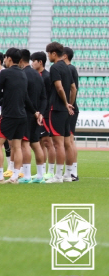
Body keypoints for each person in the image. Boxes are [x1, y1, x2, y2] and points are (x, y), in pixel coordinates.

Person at [0, 48, 42, 184]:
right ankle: (15, 176)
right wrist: (35, 111)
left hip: (9, 114)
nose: (4, 60)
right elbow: (25, 97)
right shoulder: (23, 74)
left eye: (5, 58)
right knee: (17, 146)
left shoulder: (5, 73)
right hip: (22, 115)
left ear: (9, 59)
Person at [45, 42, 76, 183]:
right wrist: (70, 104)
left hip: (57, 108)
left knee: (58, 144)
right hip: (65, 110)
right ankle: (68, 175)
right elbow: (73, 88)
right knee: (67, 143)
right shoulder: (67, 67)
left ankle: (58, 176)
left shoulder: (55, 67)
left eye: (48, 54)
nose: (48, 56)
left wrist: (65, 103)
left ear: (53, 53)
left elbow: (59, 88)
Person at [18, 49, 47, 184]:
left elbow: (24, 97)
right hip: (36, 115)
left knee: (25, 144)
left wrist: (33, 111)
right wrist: (40, 112)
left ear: (20, 60)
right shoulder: (37, 75)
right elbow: (44, 97)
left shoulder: (22, 74)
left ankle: (27, 175)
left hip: (26, 114)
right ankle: (40, 175)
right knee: (36, 144)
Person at [31, 51, 56, 180]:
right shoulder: (36, 75)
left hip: (45, 113)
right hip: (37, 113)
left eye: (33, 61)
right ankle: (42, 170)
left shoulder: (46, 76)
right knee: (40, 141)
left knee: (48, 142)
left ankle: (50, 171)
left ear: (40, 62)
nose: (31, 63)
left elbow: (47, 97)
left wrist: (43, 112)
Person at [62, 47, 80, 181]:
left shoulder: (69, 69)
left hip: (70, 107)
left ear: (65, 56)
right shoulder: (70, 69)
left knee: (70, 140)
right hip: (70, 106)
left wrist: (70, 105)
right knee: (67, 141)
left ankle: (73, 171)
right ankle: (71, 171)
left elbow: (72, 89)